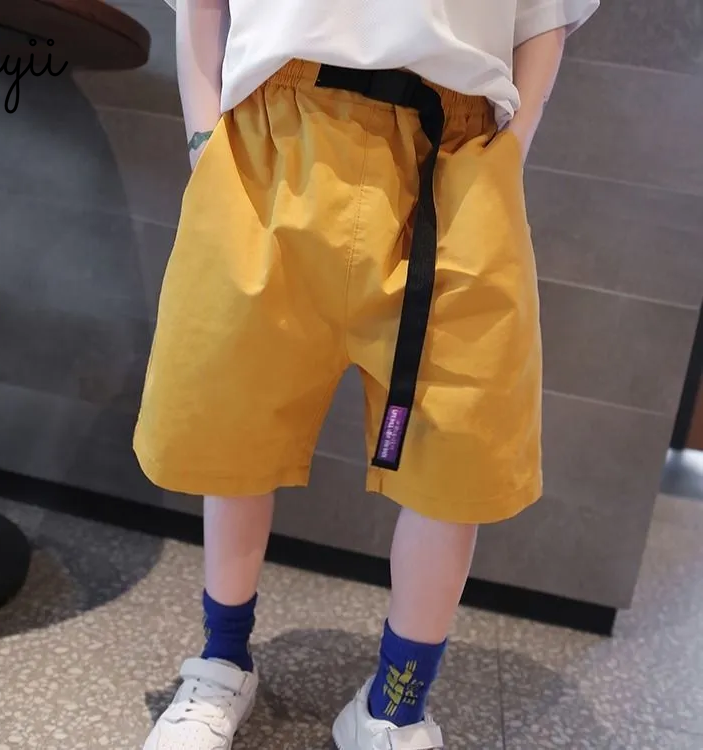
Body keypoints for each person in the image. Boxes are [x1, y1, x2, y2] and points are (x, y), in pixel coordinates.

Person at [135, 1, 599, 748]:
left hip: (457, 152)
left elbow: (544, 12)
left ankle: (396, 704)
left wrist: (510, 151)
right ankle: (221, 662)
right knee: (231, 423)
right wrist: (203, 138)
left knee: (455, 456)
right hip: (272, 134)